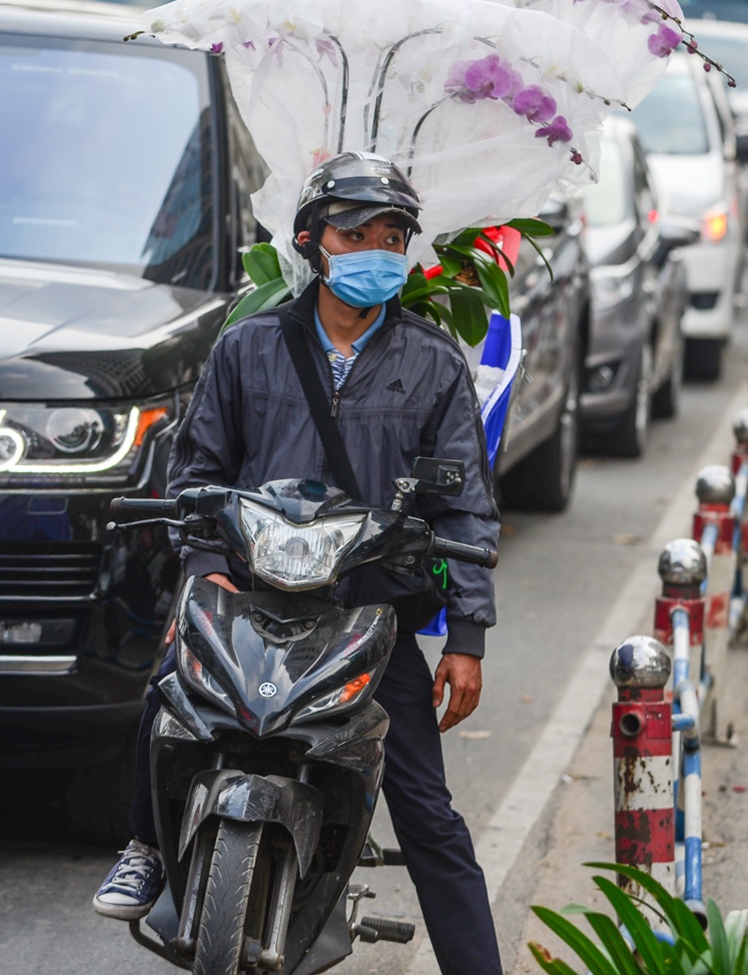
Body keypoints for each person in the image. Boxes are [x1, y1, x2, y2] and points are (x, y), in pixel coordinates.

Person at [93, 151, 503, 975]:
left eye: (392, 236)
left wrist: (468, 632)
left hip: (365, 617)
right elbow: (198, 471)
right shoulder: (249, 348)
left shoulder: (433, 362)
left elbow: (464, 506)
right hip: (247, 598)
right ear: (314, 241)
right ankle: (144, 843)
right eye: (356, 233)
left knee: (426, 809)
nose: (375, 250)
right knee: (167, 697)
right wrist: (204, 561)